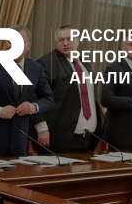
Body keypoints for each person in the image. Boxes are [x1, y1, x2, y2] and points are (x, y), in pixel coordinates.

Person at [0, 25, 53, 157]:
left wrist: (34, 107)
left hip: (20, 141)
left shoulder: (35, 68)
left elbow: (48, 99)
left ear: (28, 46)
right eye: (9, 41)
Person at [34, 25, 102, 153]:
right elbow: (35, 97)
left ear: (78, 40)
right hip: (60, 138)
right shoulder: (46, 63)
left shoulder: (85, 63)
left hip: (89, 138)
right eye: (61, 40)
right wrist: (41, 128)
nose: (65, 43)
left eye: (69, 39)